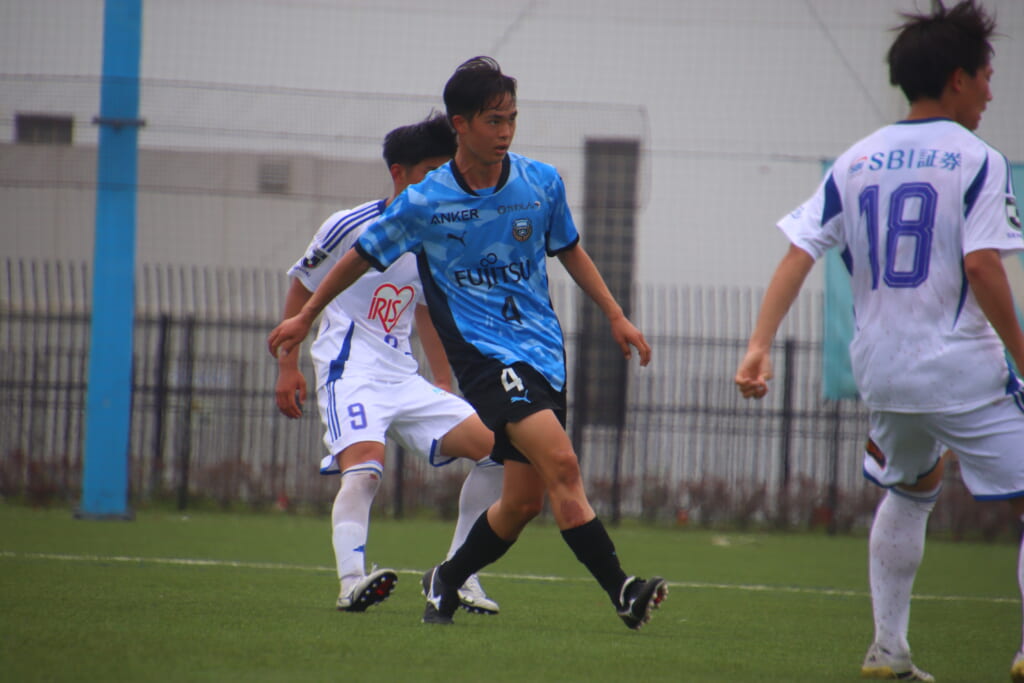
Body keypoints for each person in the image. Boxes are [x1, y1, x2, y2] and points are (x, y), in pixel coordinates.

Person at [269, 56, 668, 630]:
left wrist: (616, 315)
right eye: (492, 121)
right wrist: (306, 317)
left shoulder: (540, 183)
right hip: (484, 356)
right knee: (562, 463)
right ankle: (623, 590)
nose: (505, 132)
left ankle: (448, 578)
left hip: (541, 351)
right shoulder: (426, 202)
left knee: (523, 502)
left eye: (511, 119)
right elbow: (359, 256)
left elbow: (569, 248)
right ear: (461, 124)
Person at [734, 2, 1024, 680]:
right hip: (960, 366)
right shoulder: (979, 161)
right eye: (986, 76)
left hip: (883, 371)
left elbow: (799, 253)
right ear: (957, 78)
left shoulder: (855, 160)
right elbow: (983, 266)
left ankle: (888, 649)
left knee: (913, 487)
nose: (991, 92)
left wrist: (759, 344)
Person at [274, 112, 504, 615]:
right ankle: (351, 582)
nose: (441, 183)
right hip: (349, 371)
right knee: (365, 472)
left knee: (499, 453)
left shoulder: (439, 236)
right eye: (430, 172)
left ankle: (458, 573)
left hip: (402, 377)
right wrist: (287, 367)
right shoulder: (348, 225)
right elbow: (302, 286)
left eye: (447, 172)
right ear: (398, 173)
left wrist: (442, 381)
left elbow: (424, 310)